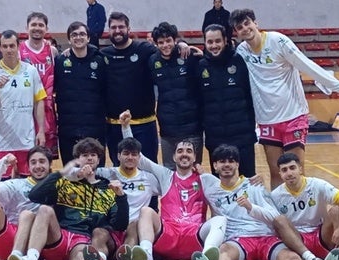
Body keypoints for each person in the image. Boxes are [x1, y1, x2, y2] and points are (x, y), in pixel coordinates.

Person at [231, 8, 339, 189]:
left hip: (293, 116)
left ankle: (304, 216)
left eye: (247, 23)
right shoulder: (242, 51)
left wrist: (338, 86)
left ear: (255, 23)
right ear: (237, 32)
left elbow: (306, 64)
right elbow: (218, 54)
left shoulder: (278, 41)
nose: (245, 28)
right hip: (267, 121)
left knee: (295, 172)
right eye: (240, 27)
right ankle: (280, 214)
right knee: (276, 172)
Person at [191, 144, 339, 260]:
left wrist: (252, 208)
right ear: (215, 166)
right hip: (239, 239)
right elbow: (189, 175)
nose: (227, 165)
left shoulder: (254, 185)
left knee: (291, 258)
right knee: (223, 252)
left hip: (266, 237)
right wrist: (198, 169)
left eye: (231, 161)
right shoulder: (210, 187)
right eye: (222, 161)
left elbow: (274, 216)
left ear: (237, 164)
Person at [6, 138, 130, 260]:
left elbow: (120, 225)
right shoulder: (64, 182)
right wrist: (63, 172)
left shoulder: (108, 188)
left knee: (81, 258)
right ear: (78, 159)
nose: (89, 158)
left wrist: (121, 197)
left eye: (93, 154)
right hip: (59, 237)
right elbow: (34, 195)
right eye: (85, 155)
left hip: (81, 239)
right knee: (45, 210)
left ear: (99, 159)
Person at [118, 110, 227, 260]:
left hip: (195, 237)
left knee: (220, 219)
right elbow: (140, 159)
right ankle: (147, 257)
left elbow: (229, 190)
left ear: (194, 157)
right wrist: (126, 128)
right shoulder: (166, 176)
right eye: (180, 151)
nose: (184, 153)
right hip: (167, 236)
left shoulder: (205, 179)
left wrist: (250, 183)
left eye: (189, 151)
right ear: (174, 157)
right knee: (146, 212)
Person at [271, 152, 339, 260]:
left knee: (336, 210)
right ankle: (311, 259)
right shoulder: (275, 195)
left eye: (292, 168)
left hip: (321, 235)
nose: (289, 173)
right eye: (284, 170)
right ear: (280, 174)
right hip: (297, 240)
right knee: (280, 220)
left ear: (300, 169)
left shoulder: (316, 184)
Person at [0, 29, 46, 179]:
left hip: (26, 141)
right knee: (1, 188)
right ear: (0, 48)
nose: (9, 50)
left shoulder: (30, 71)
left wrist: (41, 130)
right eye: (5, 46)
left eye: (12, 46)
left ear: (18, 46)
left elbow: (39, 101)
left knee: (28, 187)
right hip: (0, 142)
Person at [196, 24, 256, 177]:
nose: (214, 45)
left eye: (218, 41)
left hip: (243, 137)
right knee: (220, 187)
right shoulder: (201, 66)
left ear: (225, 41)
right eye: (210, 42)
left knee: (248, 183)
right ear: (205, 43)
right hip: (215, 138)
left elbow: (251, 95)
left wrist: (250, 129)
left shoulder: (240, 61)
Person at [101, 12, 159, 165]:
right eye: (113, 27)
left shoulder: (144, 49)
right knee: (119, 169)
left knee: (148, 169)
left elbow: (167, 52)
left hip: (144, 125)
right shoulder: (102, 55)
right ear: (109, 30)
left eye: (121, 27)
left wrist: (182, 44)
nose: (117, 30)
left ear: (128, 28)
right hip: (115, 126)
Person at [149, 21, 203, 168]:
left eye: (168, 41)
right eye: (161, 42)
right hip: (168, 129)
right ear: (156, 44)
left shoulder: (188, 55)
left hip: (192, 127)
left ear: (174, 40)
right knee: (170, 171)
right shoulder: (153, 61)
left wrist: (183, 44)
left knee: (194, 169)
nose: (165, 45)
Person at [54, 21, 107, 164]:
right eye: (74, 35)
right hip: (68, 129)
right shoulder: (60, 61)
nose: (78, 37)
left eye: (82, 34)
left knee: (96, 174)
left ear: (88, 38)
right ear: (69, 39)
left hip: (95, 128)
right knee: (71, 174)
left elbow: (106, 91)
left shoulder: (100, 60)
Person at [17, 12, 58, 159]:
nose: (37, 28)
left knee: (46, 159)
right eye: (33, 24)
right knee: (26, 158)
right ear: (26, 28)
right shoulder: (18, 51)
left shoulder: (52, 51)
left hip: (47, 112)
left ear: (46, 29)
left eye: (41, 25)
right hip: (25, 111)